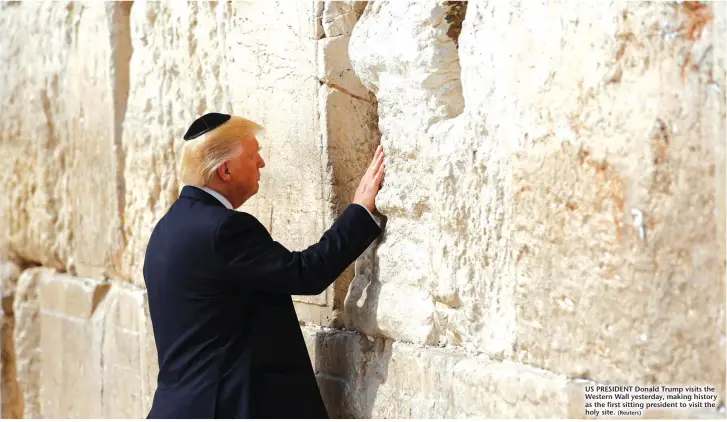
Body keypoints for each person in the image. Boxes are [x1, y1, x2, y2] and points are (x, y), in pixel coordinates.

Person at [143, 112, 385, 419]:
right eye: (253, 154)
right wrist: (360, 210)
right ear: (226, 170)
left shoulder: (167, 229)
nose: (261, 163)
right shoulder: (224, 230)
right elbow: (305, 274)